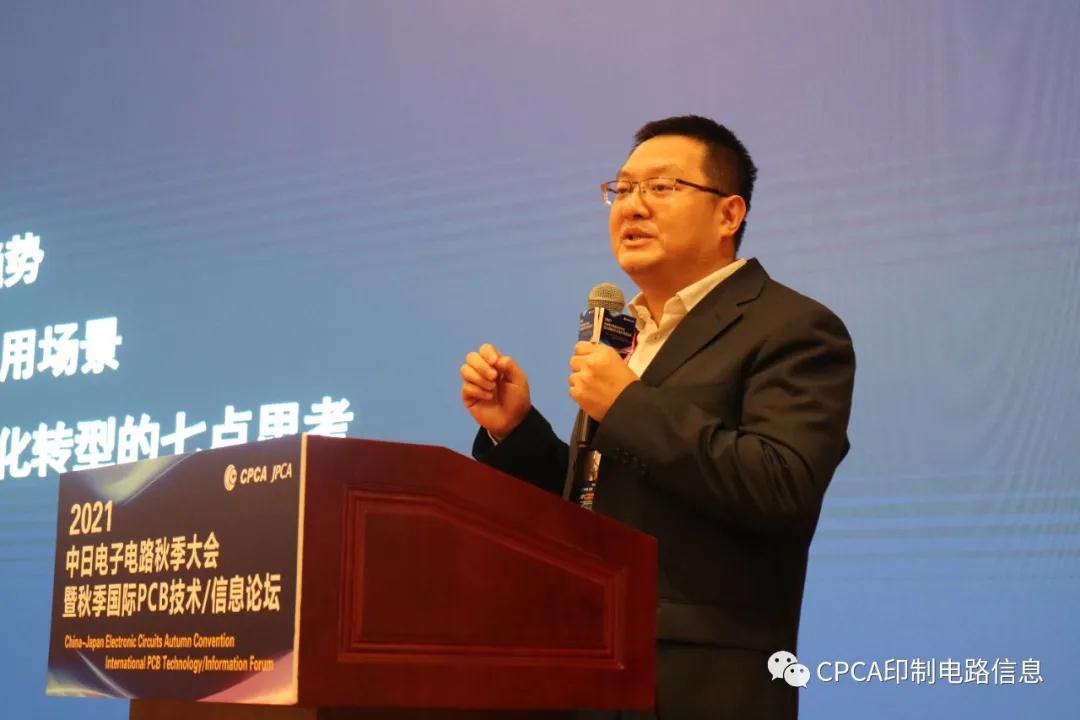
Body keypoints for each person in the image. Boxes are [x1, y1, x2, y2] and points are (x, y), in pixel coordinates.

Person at [459, 115, 855, 720]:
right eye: (621, 189)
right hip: (587, 670)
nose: (632, 205)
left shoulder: (794, 328)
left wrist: (626, 405)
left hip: (701, 686)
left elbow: (780, 485)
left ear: (729, 214)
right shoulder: (627, 335)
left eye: (661, 187)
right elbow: (605, 504)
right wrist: (516, 432)